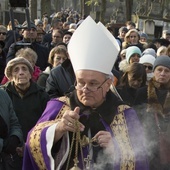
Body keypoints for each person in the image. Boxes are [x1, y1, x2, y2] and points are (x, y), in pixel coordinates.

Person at [23, 16, 149, 170]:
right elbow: (32, 143)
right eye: (80, 82)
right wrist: (58, 128)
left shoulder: (125, 115)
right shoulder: (59, 106)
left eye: (93, 84)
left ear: (108, 83)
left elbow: (141, 160)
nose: (84, 89)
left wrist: (117, 149)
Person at [1, 57, 49, 141]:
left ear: (30, 74)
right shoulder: (3, 95)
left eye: (24, 69)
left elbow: (47, 122)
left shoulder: (42, 94)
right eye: (16, 70)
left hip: (36, 143)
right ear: (10, 76)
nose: (21, 73)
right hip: (10, 145)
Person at [134, 55, 170, 169]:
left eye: (167, 70)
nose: (162, 73)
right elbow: (135, 118)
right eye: (159, 69)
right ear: (154, 71)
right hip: (147, 143)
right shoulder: (142, 92)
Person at [0, 89, 23, 170]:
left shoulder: (3, 94)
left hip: (8, 161)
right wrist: (3, 144)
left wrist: (15, 137)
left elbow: (14, 123)